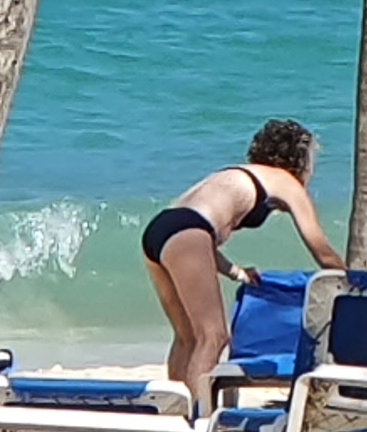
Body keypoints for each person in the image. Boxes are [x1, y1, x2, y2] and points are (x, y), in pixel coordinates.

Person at [140, 121, 343, 388]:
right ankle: (196, 417)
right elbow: (321, 249)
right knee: (213, 336)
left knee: (187, 337)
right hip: (188, 232)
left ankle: (174, 415)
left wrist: (236, 272)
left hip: (160, 230)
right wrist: (354, 282)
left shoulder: (237, 173)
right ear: (300, 159)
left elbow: (196, 234)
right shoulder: (286, 181)